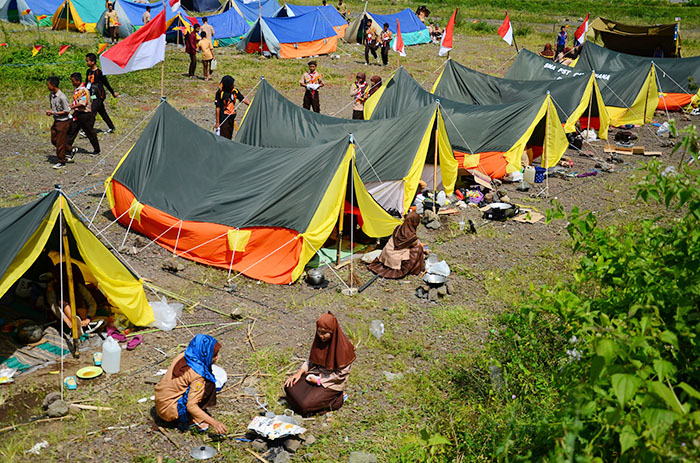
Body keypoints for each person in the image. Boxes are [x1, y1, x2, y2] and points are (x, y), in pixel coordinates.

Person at [284, 312, 355, 416]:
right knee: (289, 387)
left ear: (332, 332)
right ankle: (316, 399)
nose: (321, 336)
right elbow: (312, 360)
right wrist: (299, 373)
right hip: (316, 374)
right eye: (319, 332)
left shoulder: (343, 348)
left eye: (324, 333)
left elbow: (341, 375)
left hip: (331, 383)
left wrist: (319, 380)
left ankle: (337, 399)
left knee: (304, 406)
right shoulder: (319, 341)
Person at [155, 334, 228, 434]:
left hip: (160, 400)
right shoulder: (198, 376)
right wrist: (215, 423)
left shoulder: (185, 355)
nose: (217, 358)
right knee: (205, 386)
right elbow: (191, 406)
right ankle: (188, 419)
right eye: (214, 355)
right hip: (168, 410)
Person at [368, 211, 427, 278]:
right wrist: (421, 247)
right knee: (418, 249)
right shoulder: (412, 237)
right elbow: (416, 244)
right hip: (394, 261)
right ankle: (415, 269)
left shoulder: (398, 228)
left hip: (386, 254)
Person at [46, 264, 102, 335]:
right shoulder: (52, 287)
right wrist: (67, 321)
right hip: (63, 316)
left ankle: (82, 325)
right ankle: (76, 324)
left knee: (78, 298)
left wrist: (88, 318)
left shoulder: (78, 286)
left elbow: (91, 302)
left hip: (81, 315)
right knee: (63, 300)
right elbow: (54, 306)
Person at [66, 72, 100, 156]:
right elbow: (76, 101)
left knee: (89, 132)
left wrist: (72, 107)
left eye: (73, 81)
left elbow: (82, 103)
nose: (72, 83)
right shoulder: (77, 90)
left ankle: (97, 150)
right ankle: (67, 147)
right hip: (77, 114)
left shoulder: (84, 91)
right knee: (72, 131)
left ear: (78, 81)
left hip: (85, 115)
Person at [85, 53, 118, 133]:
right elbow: (87, 84)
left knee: (92, 112)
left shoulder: (99, 73)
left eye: (87, 61)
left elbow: (106, 83)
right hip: (92, 95)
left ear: (93, 62)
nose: (86, 63)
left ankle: (88, 130)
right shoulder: (88, 72)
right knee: (102, 112)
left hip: (99, 95)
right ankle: (112, 127)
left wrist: (113, 92)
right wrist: (84, 94)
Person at [46, 76, 73, 169]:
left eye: (48, 85)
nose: (47, 87)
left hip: (64, 121)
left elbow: (67, 111)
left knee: (60, 142)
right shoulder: (51, 95)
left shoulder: (62, 97)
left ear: (53, 85)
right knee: (54, 139)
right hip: (56, 120)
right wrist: (51, 112)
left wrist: (53, 112)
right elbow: (53, 107)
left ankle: (61, 161)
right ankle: (71, 149)